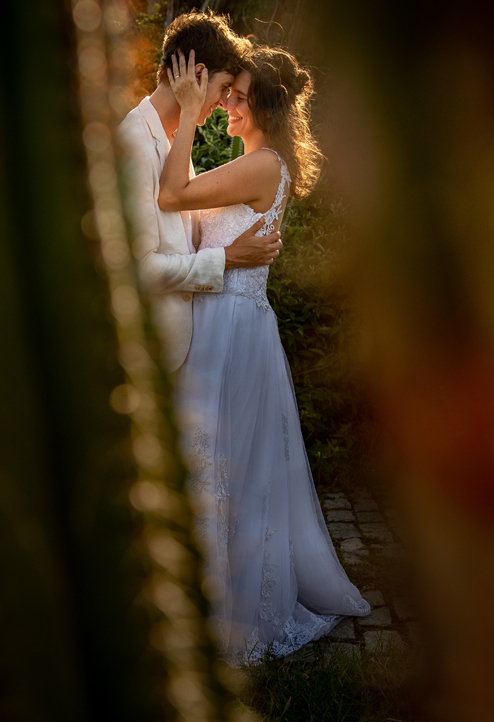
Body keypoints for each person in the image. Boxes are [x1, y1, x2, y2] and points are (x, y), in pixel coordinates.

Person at [158, 45, 372, 662]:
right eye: (230, 93)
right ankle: (210, 594)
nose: (228, 102)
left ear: (266, 108)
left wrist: (190, 110)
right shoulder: (257, 163)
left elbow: (173, 195)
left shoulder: (261, 166)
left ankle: (227, 609)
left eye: (238, 96)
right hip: (230, 323)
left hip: (229, 329)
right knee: (221, 465)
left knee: (220, 465)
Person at [117, 12, 282, 373]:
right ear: (198, 75)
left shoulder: (175, 142)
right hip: (151, 356)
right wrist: (228, 258)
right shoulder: (133, 142)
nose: (224, 103)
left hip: (188, 356)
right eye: (224, 88)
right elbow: (139, 268)